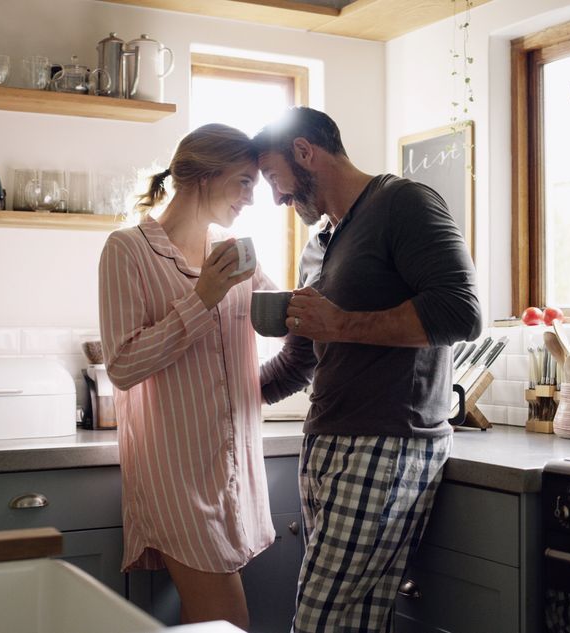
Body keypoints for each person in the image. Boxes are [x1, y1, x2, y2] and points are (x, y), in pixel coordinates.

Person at [255, 107, 482, 632]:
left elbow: (460, 312)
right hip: (326, 444)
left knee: (320, 622)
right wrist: (222, 398)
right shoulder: (319, 246)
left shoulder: (403, 202)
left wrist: (341, 324)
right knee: (350, 622)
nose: (276, 198)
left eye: (274, 179)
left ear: (305, 152)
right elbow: (300, 359)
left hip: (388, 442)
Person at [98, 123, 275, 630]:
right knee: (228, 623)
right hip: (177, 474)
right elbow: (123, 365)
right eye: (243, 182)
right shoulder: (127, 250)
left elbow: (281, 317)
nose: (249, 198)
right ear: (205, 175)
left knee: (212, 624)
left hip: (236, 471)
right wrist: (203, 299)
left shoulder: (234, 248)